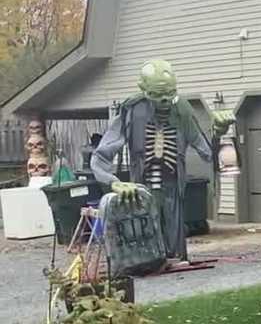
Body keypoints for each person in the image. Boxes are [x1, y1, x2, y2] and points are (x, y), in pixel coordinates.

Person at [91, 59, 234, 262]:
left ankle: (174, 260)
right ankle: (144, 262)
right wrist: (112, 181)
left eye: (170, 94)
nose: (165, 101)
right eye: (157, 95)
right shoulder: (132, 110)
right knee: (143, 234)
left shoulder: (183, 110)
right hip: (141, 189)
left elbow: (209, 153)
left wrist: (219, 132)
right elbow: (102, 153)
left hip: (173, 188)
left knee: (174, 239)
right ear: (143, 89)